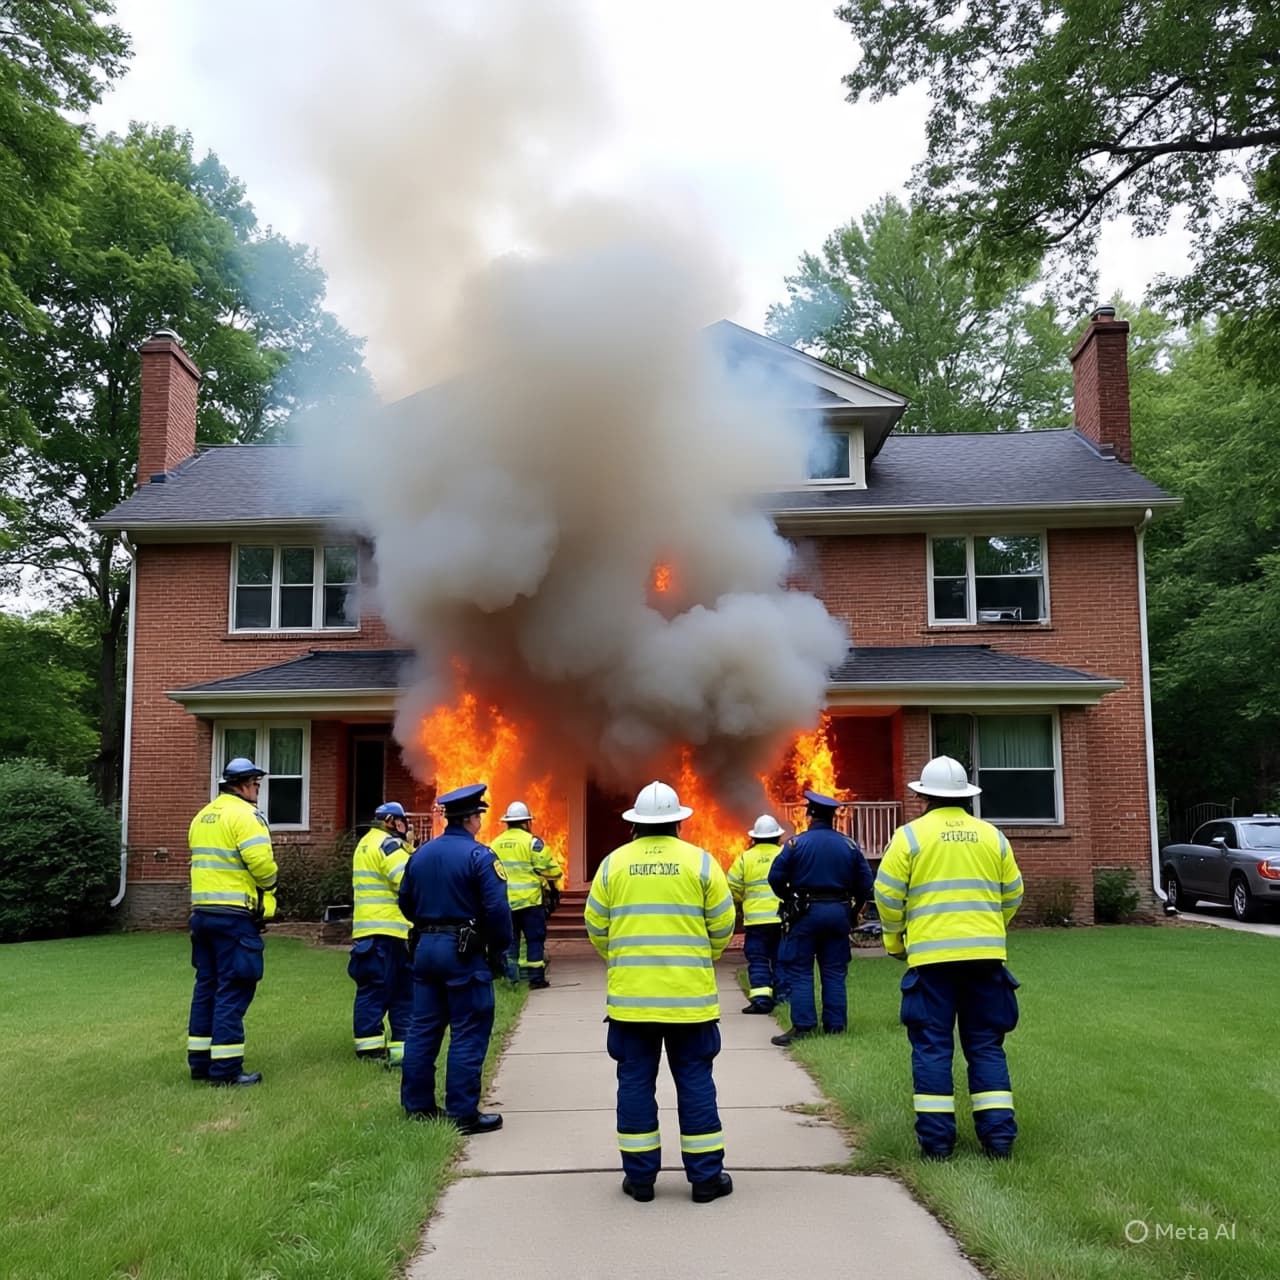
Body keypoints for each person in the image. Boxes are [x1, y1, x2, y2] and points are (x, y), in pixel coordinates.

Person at [584, 781, 737, 1205]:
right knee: (695, 1082)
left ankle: (641, 1181)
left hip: (632, 1004)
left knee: (634, 1084)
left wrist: (621, 960)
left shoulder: (613, 865)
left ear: (634, 825)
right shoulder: (702, 864)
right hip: (690, 1003)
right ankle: (706, 1180)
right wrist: (703, 957)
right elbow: (723, 925)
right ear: (678, 824)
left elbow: (597, 927)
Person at [873, 755, 1024, 1161]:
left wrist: (894, 941)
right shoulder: (993, 837)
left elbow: (886, 896)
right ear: (965, 797)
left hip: (931, 963)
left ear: (924, 796)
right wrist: (991, 928)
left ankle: (938, 1145)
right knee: (987, 1046)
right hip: (986, 959)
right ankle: (999, 1141)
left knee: (933, 1047)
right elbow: (1013, 893)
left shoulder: (910, 838)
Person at [398, 783, 513, 1134]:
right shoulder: (480, 857)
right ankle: (463, 1113)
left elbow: (405, 901)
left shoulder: (419, 855)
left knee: (423, 1028)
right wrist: (499, 949)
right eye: (480, 814)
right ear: (473, 818)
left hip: (424, 949)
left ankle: (417, 1106)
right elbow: (497, 910)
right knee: (468, 1029)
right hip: (463, 952)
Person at [186, 757, 278, 1087]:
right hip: (234, 919)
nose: (257, 790)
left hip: (202, 916)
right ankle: (225, 1069)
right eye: (255, 784)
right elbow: (263, 867)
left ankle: (200, 1062)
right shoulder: (246, 816)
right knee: (233, 987)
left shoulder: (202, 817)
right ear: (242, 785)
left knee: (206, 986)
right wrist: (270, 886)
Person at [768, 790, 874, 1046]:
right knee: (835, 971)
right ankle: (835, 1027)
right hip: (838, 912)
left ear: (810, 814)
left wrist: (789, 899)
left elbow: (775, 877)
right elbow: (866, 884)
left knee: (801, 970)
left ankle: (803, 1026)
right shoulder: (849, 845)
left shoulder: (795, 844)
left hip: (805, 914)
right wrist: (853, 910)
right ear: (832, 817)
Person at [349, 801, 415, 1064]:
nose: (404, 826)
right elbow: (407, 882)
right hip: (389, 933)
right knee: (395, 992)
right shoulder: (389, 845)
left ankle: (382, 1049)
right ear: (391, 821)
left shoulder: (365, 843)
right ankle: (378, 1049)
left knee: (376, 990)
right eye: (401, 822)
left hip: (370, 932)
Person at [491, 800, 562, 989]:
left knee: (511, 941)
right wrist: (550, 880)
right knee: (534, 939)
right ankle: (536, 979)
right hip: (530, 902)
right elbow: (551, 870)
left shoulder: (495, 844)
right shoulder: (532, 843)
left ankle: (512, 979)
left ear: (507, 822)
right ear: (526, 822)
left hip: (505, 903)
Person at [727, 815, 788, 1014]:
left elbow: (732, 885)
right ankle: (783, 999)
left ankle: (761, 1001)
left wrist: (743, 899)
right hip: (781, 919)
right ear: (778, 837)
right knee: (781, 958)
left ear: (754, 838)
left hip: (756, 922)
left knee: (758, 959)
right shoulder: (784, 854)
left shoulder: (746, 858)